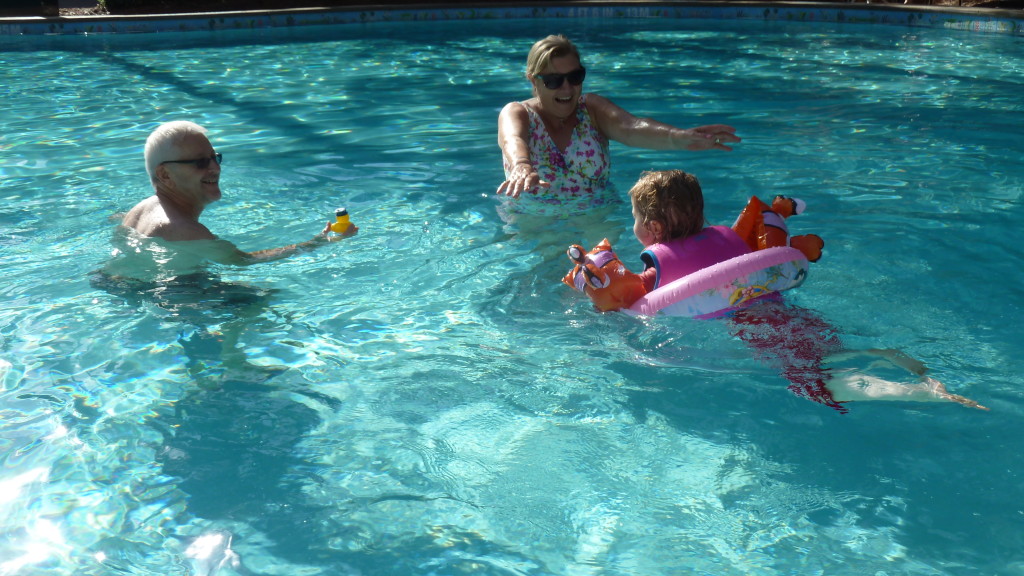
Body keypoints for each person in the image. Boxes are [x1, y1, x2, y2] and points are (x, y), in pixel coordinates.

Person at [572, 169, 987, 411]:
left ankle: (919, 393)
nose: (634, 229)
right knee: (825, 348)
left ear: (655, 230)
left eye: (635, 220)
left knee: (812, 381)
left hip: (750, 323)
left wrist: (589, 281)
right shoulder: (723, 236)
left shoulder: (656, 261)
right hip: (779, 306)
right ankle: (888, 356)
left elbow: (627, 299)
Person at [496, 34, 741, 211]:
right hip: (535, 221)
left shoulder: (591, 110)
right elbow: (512, 139)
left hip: (597, 216)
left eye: (575, 76)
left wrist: (683, 138)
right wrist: (521, 165)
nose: (567, 88)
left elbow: (632, 128)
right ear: (533, 80)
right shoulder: (517, 113)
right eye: (553, 81)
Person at [121, 120, 356, 264]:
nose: (215, 168)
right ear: (164, 175)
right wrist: (319, 242)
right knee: (261, 302)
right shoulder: (188, 232)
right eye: (200, 162)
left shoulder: (142, 208)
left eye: (215, 158)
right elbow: (244, 261)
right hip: (168, 292)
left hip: (119, 280)